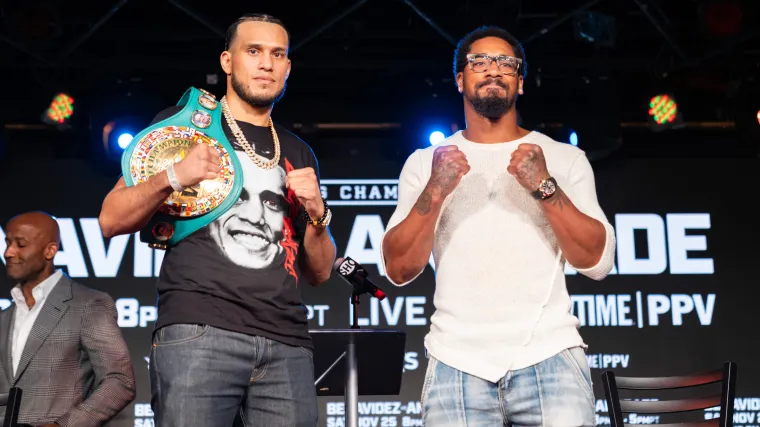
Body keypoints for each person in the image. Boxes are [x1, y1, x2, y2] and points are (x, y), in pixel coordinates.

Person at [98, 13, 336, 427]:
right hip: (199, 332)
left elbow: (318, 272)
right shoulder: (185, 126)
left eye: (277, 54)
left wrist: (318, 215)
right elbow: (110, 219)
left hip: (287, 343)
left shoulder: (298, 152)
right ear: (228, 61)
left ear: (288, 67)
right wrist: (174, 175)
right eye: (254, 51)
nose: (266, 64)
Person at [382, 26, 616, 426]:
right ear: (460, 80)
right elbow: (398, 270)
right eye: (479, 62)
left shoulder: (564, 158)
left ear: (520, 82)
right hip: (456, 361)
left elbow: (597, 261)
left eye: (506, 63)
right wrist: (436, 189)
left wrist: (544, 185)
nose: (493, 70)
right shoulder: (425, 163)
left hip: (550, 355)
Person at [0, 211, 135, 427]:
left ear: (50, 250)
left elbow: (120, 381)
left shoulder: (88, 305)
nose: (8, 252)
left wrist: (62, 426)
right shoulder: (4, 317)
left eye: (20, 244)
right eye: (7, 243)